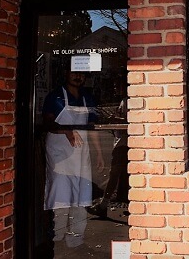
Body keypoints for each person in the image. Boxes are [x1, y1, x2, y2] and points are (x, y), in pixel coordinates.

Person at [42, 70, 104, 249]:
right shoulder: (55, 97)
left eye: (82, 74)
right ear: (66, 74)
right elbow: (48, 123)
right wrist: (67, 131)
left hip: (81, 154)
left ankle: (76, 240)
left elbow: (92, 128)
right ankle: (57, 239)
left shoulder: (87, 98)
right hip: (59, 154)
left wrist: (99, 153)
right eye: (74, 73)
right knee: (60, 194)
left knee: (81, 196)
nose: (78, 77)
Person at [87, 98, 129, 218]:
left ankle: (104, 204)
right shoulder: (125, 101)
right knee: (116, 174)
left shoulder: (130, 101)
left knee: (114, 173)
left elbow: (132, 121)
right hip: (121, 142)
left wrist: (115, 120)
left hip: (123, 143)